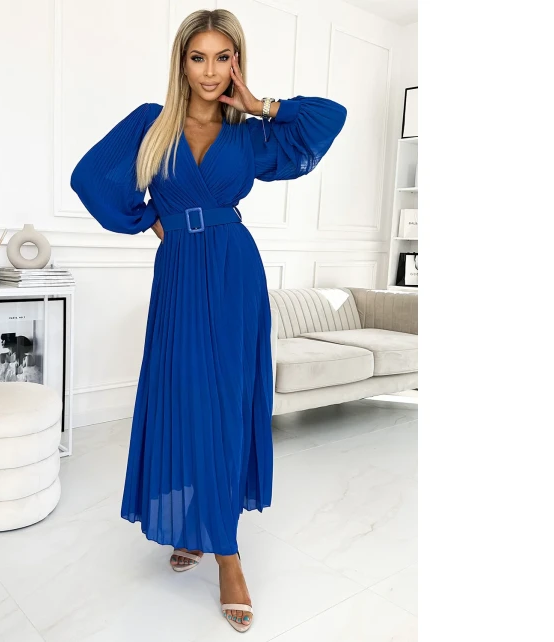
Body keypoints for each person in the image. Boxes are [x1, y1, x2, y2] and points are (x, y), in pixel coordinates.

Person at [70, 8, 347, 633]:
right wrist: (151, 219)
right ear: (182, 62)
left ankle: (227, 554)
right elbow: (89, 177)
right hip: (178, 273)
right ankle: (192, 524)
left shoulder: (248, 134)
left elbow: (330, 118)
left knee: (224, 404)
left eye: (224, 57)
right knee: (182, 397)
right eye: (199, 57)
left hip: (232, 272)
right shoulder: (152, 123)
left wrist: (260, 104)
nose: (211, 71)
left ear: (237, 62)